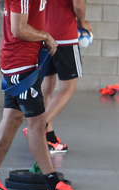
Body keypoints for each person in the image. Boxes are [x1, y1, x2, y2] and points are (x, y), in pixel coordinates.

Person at [0, 0, 84, 190]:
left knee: (12, 119)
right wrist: (46, 36)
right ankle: (54, 187)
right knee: (36, 124)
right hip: (20, 64)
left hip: (19, 62)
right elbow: (19, 29)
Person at [22, 0, 94, 153]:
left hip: (43, 36)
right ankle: (39, 125)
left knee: (47, 87)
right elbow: (78, 5)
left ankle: (50, 139)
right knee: (68, 87)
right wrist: (82, 21)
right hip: (64, 37)